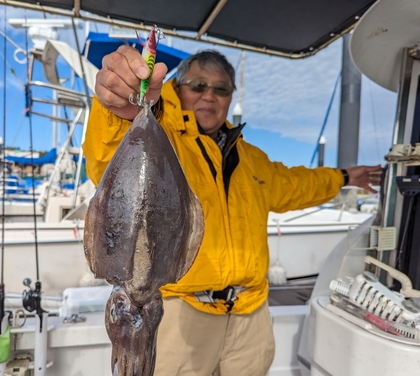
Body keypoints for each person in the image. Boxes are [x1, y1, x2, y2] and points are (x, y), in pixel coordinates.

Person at [83, 46, 382, 376]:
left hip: (250, 316)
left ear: (230, 97)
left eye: (221, 89)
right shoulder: (164, 133)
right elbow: (107, 156)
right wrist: (118, 109)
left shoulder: (252, 158)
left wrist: (343, 177)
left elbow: (297, 184)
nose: (209, 95)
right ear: (178, 88)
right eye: (198, 85)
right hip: (182, 313)